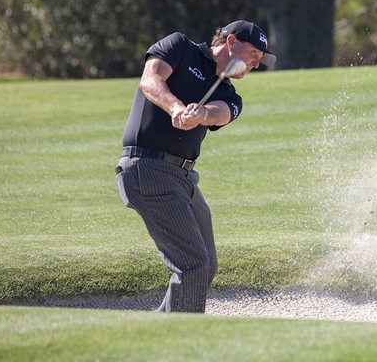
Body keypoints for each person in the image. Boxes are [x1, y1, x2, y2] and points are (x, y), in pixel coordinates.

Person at [115, 20, 276, 313]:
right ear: (231, 42)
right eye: (253, 52)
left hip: (182, 179)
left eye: (260, 58)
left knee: (206, 265)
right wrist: (176, 107)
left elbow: (221, 114)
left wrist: (201, 113)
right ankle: (175, 345)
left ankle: (157, 335)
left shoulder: (229, 94)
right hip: (146, 167)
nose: (256, 62)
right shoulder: (179, 47)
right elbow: (150, 80)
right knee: (193, 264)